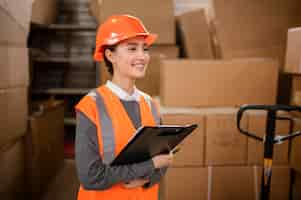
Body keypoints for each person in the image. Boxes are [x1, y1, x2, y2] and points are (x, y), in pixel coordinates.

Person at [75, 14, 173, 200]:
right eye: (132, 49)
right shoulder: (91, 106)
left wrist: (147, 177)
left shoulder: (150, 104)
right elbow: (90, 177)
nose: (142, 56)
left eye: (145, 49)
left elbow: (163, 161)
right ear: (110, 55)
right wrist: (148, 167)